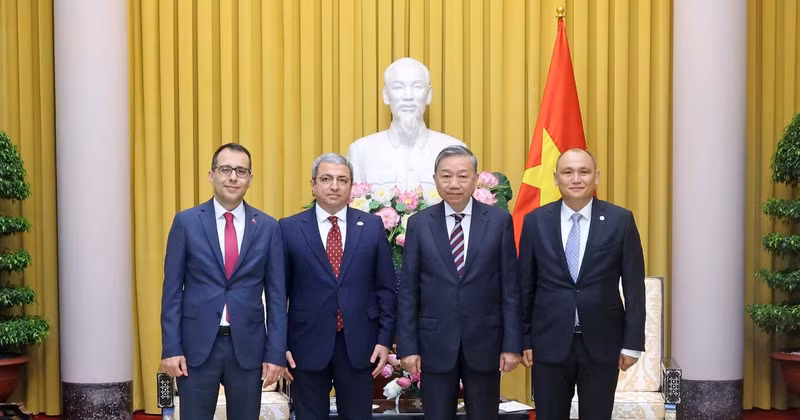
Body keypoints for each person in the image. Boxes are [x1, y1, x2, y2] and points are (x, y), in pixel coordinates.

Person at [160, 143, 287, 420]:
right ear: (211, 175)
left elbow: (277, 297)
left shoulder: (267, 227)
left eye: (241, 171)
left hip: (249, 348)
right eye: (226, 169)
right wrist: (172, 348)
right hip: (196, 348)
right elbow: (172, 292)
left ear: (250, 179)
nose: (233, 177)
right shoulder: (186, 222)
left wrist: (276, 353)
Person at [519, 148, 645, 420]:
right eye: (568, 172)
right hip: (548, 342)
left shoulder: (620, 220)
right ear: (556, 178)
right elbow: (525, 286)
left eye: (584, 171)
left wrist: (632, 343)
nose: (576, 178)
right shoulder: (535, 222)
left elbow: (635, 287)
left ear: (596, 177)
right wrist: (524, 339)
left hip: (602, 341)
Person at [397, 145, 522, 419]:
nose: (454, 183)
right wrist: (407, 347)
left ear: (476, 179)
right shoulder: (419, 223)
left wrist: (512, 344)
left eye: (463, 176)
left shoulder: (499, 221)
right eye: (446, 176)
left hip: (485, 343)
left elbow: (510, 288)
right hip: (435, 344)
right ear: (435, 179)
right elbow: (408, 291)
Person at [280, 153, 397, 419]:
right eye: (326, 179)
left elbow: (386, 289)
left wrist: (384, 340)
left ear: (351, 186)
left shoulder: (371, 226)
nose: (334, 186)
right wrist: (279, 346)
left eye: (342, 179)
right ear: (313, 184)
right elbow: (278, 294)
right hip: (304, 346)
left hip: (360, 345)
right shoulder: (288, 228)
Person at [346, 57, 465, 191]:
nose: (408, 96)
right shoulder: (361, 151)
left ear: (429, 95)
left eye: (417, 87)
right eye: (398, 88)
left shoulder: (454, 149)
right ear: (385, 95)